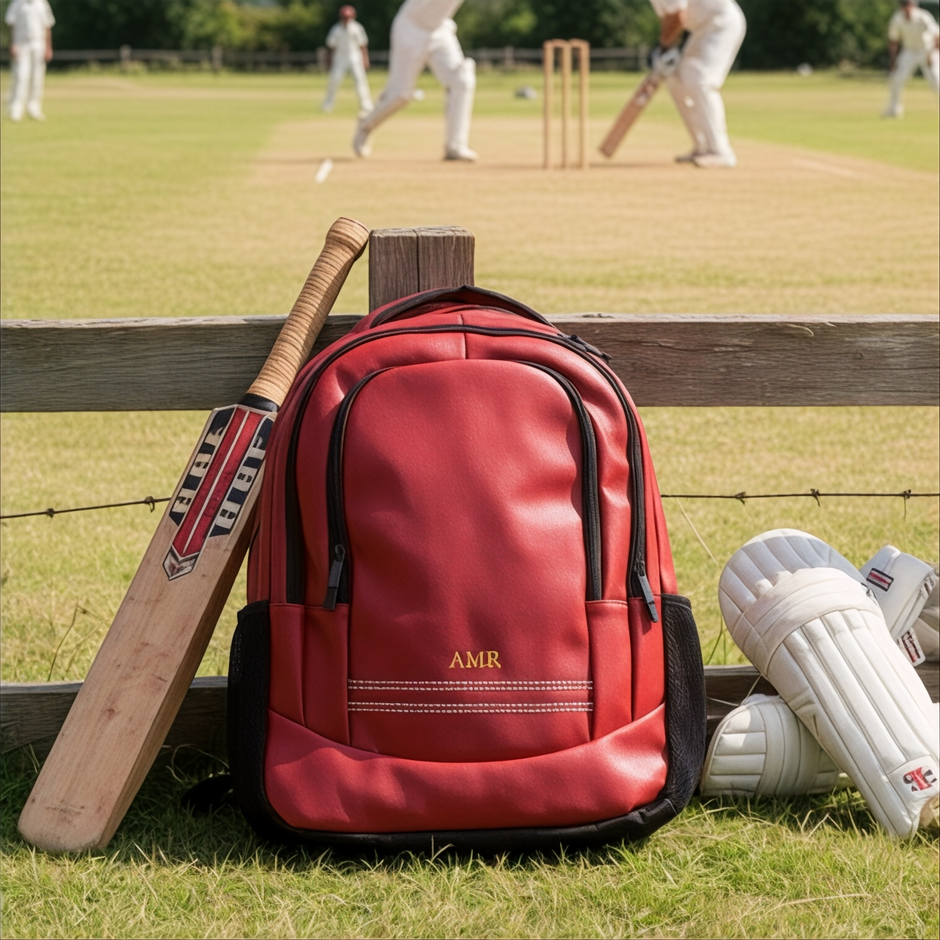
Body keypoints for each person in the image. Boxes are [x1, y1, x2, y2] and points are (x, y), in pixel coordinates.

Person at [352, 0, 476, 162]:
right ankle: (365, 125)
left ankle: (455, 146)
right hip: (410, 29)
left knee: (462, 81)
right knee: (400, 95)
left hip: (439, 29)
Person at [648, 0, 746, 168]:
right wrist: (666, 51)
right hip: (703, 29)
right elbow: (669, 19)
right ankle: (702, 146)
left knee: (700, 81)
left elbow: (678, 17)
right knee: (675, 79)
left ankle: (721, 152)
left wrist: (663, 49)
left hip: (722, 24)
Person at [883, 0, 939, 118]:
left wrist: (932, 54)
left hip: (927, 49)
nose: (907, 8)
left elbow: (936, 35)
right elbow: (894, 40)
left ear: (913, 6)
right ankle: (894, 110)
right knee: (896, 79)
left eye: (909, 5)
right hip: (909, 51)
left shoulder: (923, 16)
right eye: (904, 5)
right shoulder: (897, 18)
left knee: (936, 81)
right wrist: (893, 60)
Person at [5, 0, 55, 122]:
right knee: (21, 76)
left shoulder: (42, 4)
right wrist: (13, 44)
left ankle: (34, 107)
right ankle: (15, 108)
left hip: (39, 44)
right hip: (21, 44)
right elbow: (11, 25)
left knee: (37, 77)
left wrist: (48, 47)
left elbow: (47, 26)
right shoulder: (16, 3)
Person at [322, 5, 373, 116]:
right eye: (344, 17)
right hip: (340, 58)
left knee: (360, 80)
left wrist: (365, 59)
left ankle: (366, 104)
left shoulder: (357, 28)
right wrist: (328, 61)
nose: (346, 20)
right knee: (334, 80)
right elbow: (331, 46)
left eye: (348, 17)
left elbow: (363, 45)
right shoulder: (336, 29)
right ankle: (328, 103)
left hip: (355, 57)